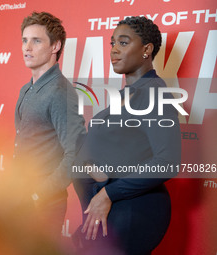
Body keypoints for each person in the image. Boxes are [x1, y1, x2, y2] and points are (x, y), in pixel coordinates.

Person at [72, 16, 181, 255]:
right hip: (107, 211)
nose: (114, 50)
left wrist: (108, 193)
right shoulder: (128, 95)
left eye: (123, 43)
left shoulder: (153, 94)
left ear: (146, 49)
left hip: (130, 213)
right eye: (112, 43)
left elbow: (167, 163)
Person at [13, 12, 86, 236]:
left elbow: (76, 153)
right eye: (25, 40)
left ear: (55, 46)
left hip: (43, 204)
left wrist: (38, 193)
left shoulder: (60, 92)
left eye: (36, 41)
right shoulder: (27, 89)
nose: (27, 47)